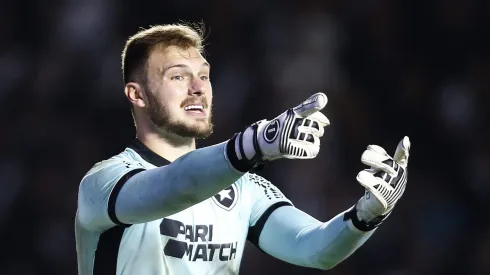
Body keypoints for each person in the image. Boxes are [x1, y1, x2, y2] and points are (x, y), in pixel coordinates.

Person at [75, 23, 411, 275]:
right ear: (137, 95)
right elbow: (178, 186)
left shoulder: (242, 188)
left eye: (203, 76)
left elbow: (316, 248)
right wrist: (253, 144)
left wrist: (365, 217)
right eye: (178, 77)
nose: (197, 88)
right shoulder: (103, 183)